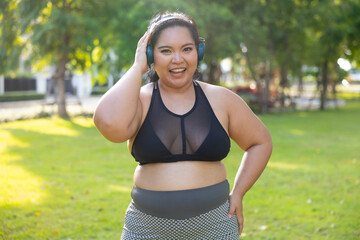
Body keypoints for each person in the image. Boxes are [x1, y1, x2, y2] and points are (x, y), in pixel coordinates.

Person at [93, 12, 272, 240]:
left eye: (187, 49)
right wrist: (137, 67)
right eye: (165, 50)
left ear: (199, 51)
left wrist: (238, 192)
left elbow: (260, 142)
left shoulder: (222, 99)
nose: (178, 59)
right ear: (150, 54)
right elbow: (108, 123)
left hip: (215, 226)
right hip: (147, 228)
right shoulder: (138, 101)